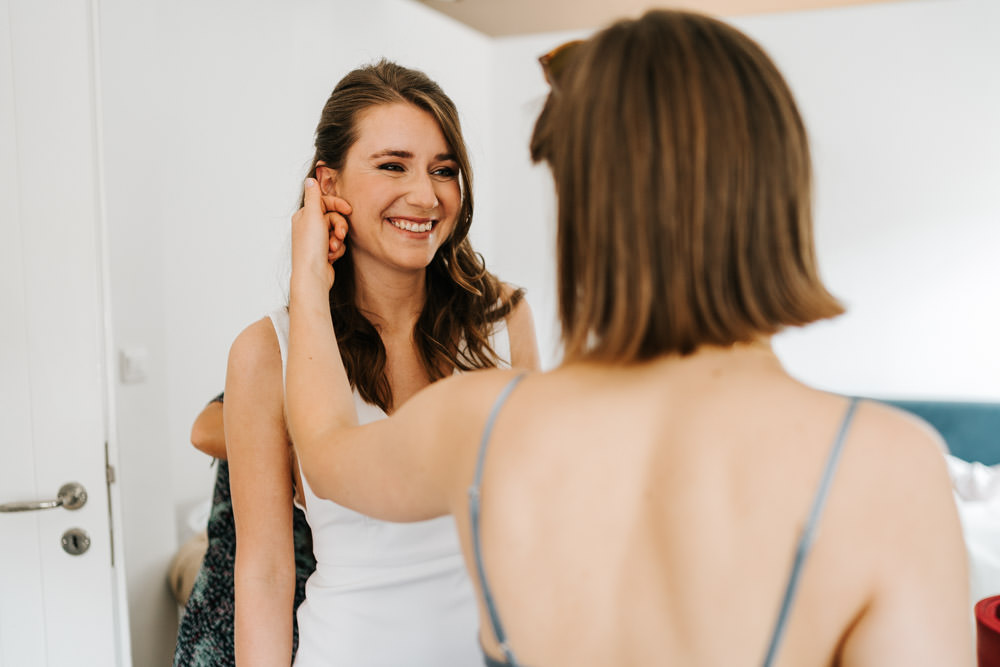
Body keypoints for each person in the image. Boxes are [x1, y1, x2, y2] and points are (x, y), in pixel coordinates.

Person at [285, 10, 973, 667]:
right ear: (777, 187)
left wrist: (310, 272)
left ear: (582, 203)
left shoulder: (483, 421)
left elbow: (322, 447)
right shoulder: (889, 469)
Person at [225, 60, 540, 666]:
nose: (425, 195)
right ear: (328, 184)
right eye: (393, 165)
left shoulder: (502, 322)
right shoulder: (266, 353)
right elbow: (263, 572)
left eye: (443, 171)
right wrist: (308, 280)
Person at [173, 394, 315, 666]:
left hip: (312, 593)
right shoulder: (269, 378)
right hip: (233, 588)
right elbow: (203, 432)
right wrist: (305, 439)